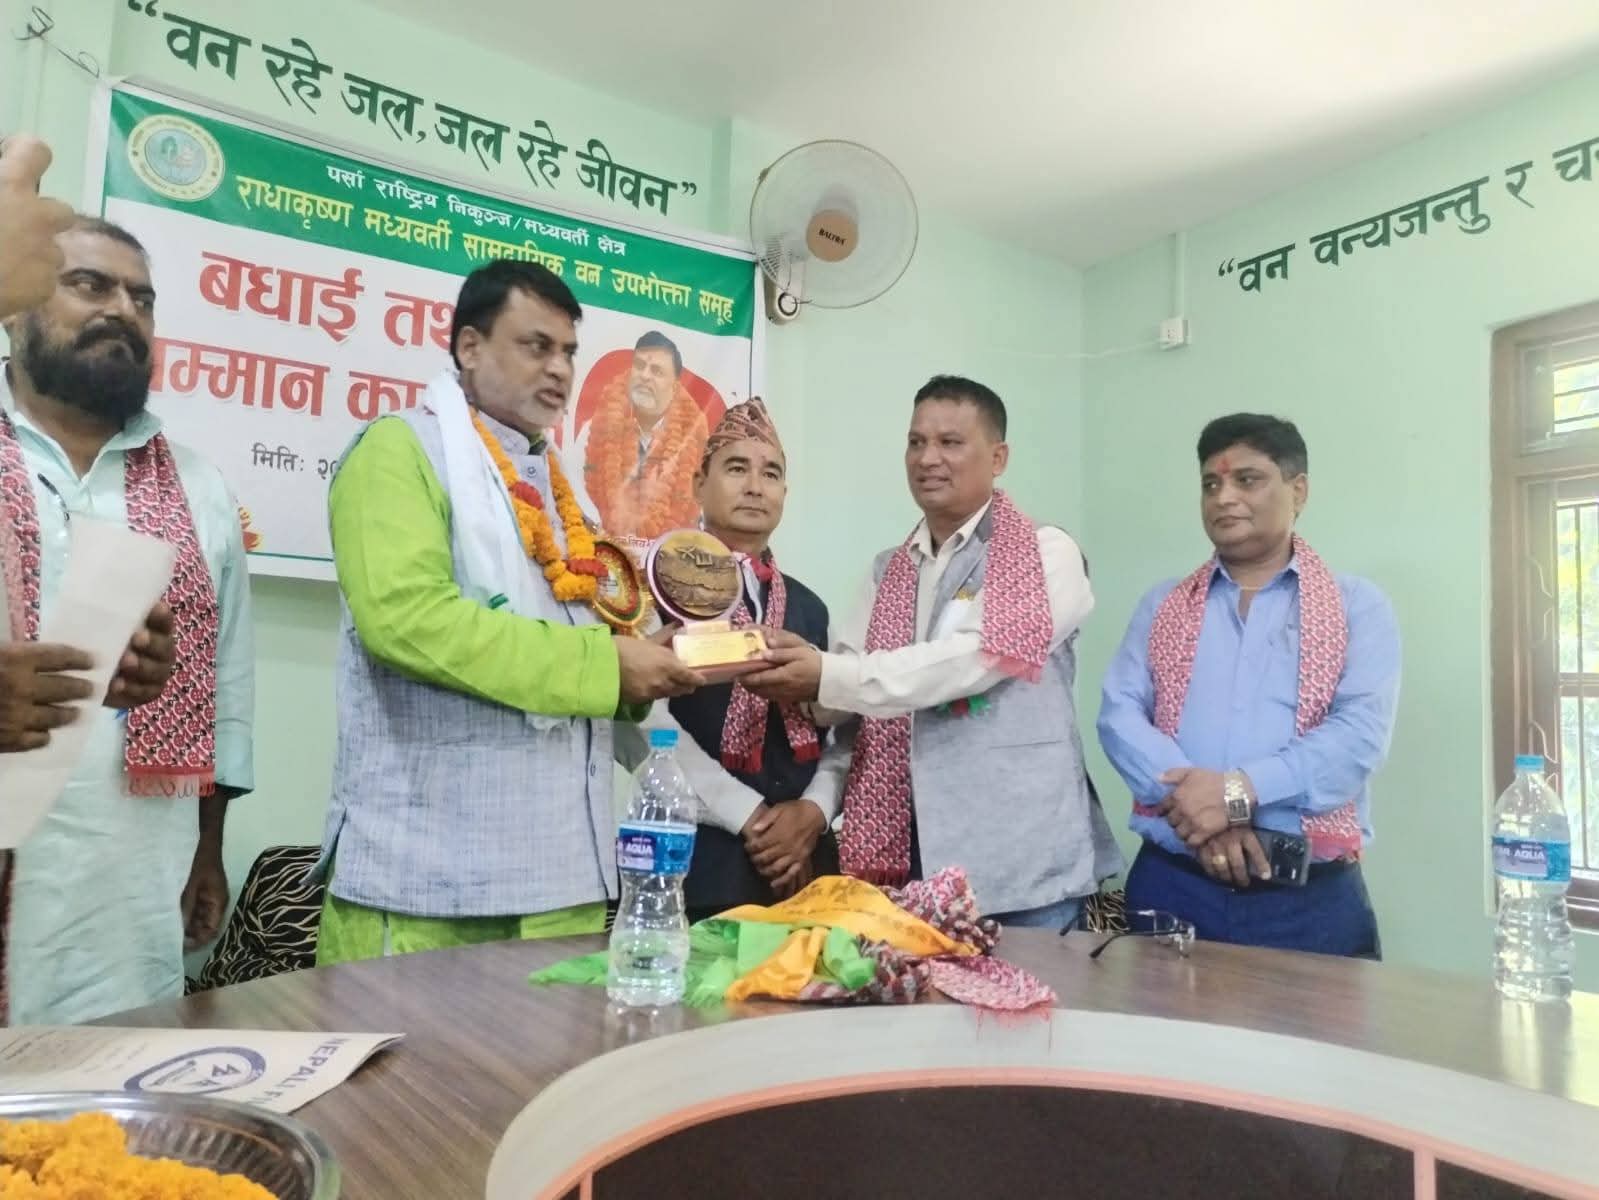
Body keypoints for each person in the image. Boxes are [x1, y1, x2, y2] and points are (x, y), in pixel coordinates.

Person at [313, 260, 703, 964]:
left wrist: (646, 661)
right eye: (536, 346)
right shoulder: (399, 451)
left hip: (562, 880)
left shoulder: (557, 485)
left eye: (568, 352)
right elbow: (407, 621)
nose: (559, 369)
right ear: (469, 346)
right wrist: (605, 666)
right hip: (428, 881)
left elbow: (576, 635)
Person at [743, 375, 1122, 927]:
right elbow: (850, 706)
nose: (927, 459)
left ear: (998, 457)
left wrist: (827, 674)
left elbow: (972, 660)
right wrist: (784, 670)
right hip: (907, 859)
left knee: (1031, 989)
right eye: (916, 442)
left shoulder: (1045, 552)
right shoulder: (888, 570)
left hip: (1022, 864)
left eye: (950, 442)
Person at [1, 216, 252, 1024]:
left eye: (142, 299)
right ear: (16, 305)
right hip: (15, 851)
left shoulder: (197, 485)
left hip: (131, 882)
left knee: (115, 1074)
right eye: (89, 285)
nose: (122, 310)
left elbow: (225, 684)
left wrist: (208, 848)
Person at [1097, 413, 1401, 958]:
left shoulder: (1356, 606)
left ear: (1298, 490)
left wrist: (1234, 796)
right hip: (1173, 884)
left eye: (1247, 479)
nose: (1224, 498)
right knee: (1154, 1018)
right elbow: (1119, 715)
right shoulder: (1164, 605)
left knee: (1318, 1021)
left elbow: (1358, 738)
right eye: (1211, 484)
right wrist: (1200, 813)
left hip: (1308, 903)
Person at [616, 399, 836, 919]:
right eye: (737, 468)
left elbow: (841, 730)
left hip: (805, 865)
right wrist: (750, 816)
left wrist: (813, 812)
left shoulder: (810, 606)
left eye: (771, 473)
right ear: (698, 485)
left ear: (785, 494)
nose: (755, 487)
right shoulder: (648, 591)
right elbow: (638, 726)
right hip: (696, 865)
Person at [582, 330, 709, 543]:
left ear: (674, 386)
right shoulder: (593, 431)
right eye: (640, 366)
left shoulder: (696, 445)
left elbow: (701, 517)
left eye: (657, 371)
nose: (645, 376)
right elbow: (577, 498)